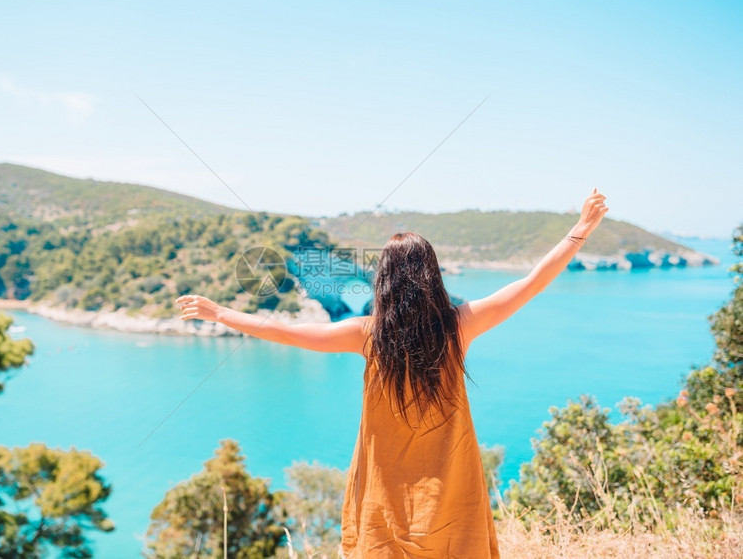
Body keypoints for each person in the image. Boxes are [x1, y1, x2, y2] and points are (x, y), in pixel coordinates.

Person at [175, 189, 609, 558]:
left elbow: (286, 332)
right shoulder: (459, 326)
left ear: (384, 280)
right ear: (432, 274)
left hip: (384, 489)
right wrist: (581, 229)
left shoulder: (365, 335)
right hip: (452, 483)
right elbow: (532, 282)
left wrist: (222, 313)